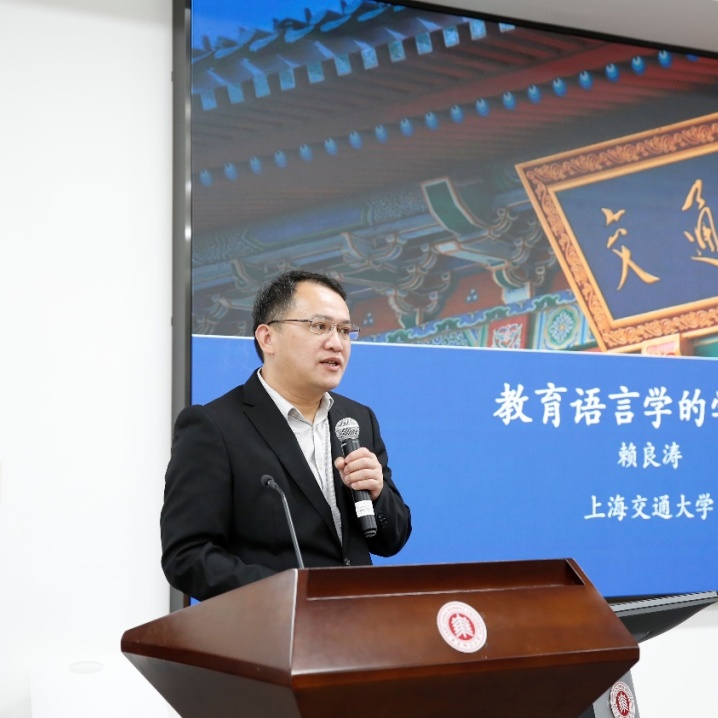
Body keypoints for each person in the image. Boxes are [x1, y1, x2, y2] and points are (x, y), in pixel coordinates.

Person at [161, 270, 412, 600]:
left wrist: (378, 495)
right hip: (270, 625)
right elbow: (187, 556)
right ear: (268, 338)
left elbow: (391, 540)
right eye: (319, 326)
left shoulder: (357, 419)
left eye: (344, 331)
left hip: (356, 620)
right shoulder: (214, 427)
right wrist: (288, 594)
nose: (336, 343)